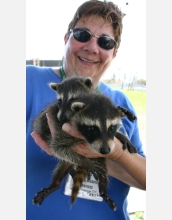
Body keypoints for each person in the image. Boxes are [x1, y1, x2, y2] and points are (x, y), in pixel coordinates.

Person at [26, 0, 146, 219]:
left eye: (105, 42)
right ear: (66, 39)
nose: (92, 47)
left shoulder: (120, 103)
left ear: (114, 53)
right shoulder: (26, 80)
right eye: (82, 34)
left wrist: (115, 154)